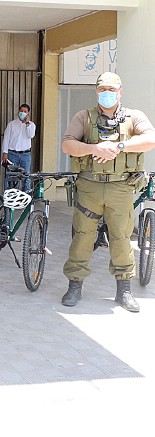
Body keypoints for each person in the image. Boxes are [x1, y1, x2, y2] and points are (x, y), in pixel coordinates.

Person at [61, 71, 155, 312]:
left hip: (121, 187)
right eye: (102, 90)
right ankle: (74, 285)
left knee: (121, 238)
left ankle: (124, 290)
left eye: (111, 90)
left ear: (120, 92)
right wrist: (95, 148)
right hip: (90, 186)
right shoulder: (84, 117)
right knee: (83, 235)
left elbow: (150, 139)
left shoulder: (134, 117)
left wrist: (118, 146)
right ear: (97, 92)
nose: (107, 94)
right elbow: (67, 144)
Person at [1, 103, 36, 191]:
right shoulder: (12, 124)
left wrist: (27, 124)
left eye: (25, 111)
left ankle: (26, 196)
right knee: (11, 176)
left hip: (25, 154)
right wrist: (5, 153)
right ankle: (11, 196)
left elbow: (31, 135)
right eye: (21, 111)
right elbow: (6, 138)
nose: (22, 113)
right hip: (13, 154)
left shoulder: (31, 125)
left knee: (26, 176)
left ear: (28, 113)